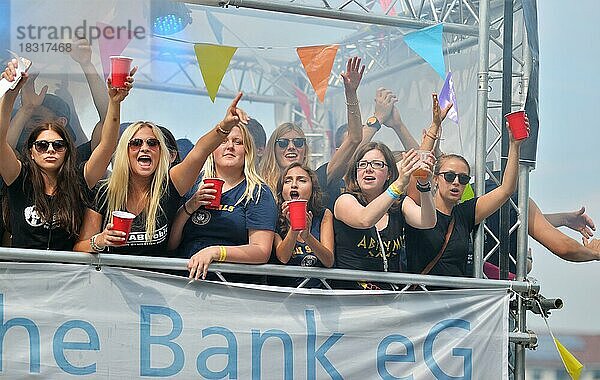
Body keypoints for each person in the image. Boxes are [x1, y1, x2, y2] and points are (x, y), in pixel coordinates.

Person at [74, 93, 249, 256]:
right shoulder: (104, 191)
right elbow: (79, 248)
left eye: (152, 143)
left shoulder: (169, 186)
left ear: (160, 152)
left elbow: (200, 151)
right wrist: (100, 240)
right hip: (109, 284)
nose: (145, 148)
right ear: (124, 152)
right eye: (135, 143)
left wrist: (224, 126)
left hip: (156, 286)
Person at [0, 59, 133, 250]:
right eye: (42, 145)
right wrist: (11, 93)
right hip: (23, 274)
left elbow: (107, 145)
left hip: (67, 276)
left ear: (67, 150)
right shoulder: (19, 177)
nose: (50, 150)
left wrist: (115, 102)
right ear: (31, 151)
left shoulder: (78, 180)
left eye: (58, 145)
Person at [405, 115, 527, 277]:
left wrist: (514, 145)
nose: (456, 182)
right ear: (435, 179)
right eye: (449, 176)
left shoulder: (465, 214)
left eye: (463, 179)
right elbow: (419, 173)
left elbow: (505, 190)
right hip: (420, 298)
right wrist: (434, 127)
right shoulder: (416, 207)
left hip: (456, 298)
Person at [168, 123, 277, 281]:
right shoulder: (193, 183)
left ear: (247, 151)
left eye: (238, 142)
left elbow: (261, 251)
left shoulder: (258, 192)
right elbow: (171, 245)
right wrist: (190, 206)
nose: (230, 146)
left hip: (232, 288)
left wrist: (216, 252)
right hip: (186, 282)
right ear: (212, 150)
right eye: (223, 141)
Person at [333, 142, 436, 290]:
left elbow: (428, 222)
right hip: (352, 301)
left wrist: (424, 185)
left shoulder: (399, 204)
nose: (368, 169)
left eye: (377, 164)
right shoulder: (345, 201)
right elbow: (365, 219)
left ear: (389, 173)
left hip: (390, 300)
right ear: (355, 172)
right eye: (362, 164)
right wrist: (399, 184)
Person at [260, 57, 365, 192]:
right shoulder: (259, 187)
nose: (291, 147)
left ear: (305, 149)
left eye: (298, 142)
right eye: (283, 143)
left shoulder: (317, 181)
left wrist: (351, 94)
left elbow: (354, 138)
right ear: (272, 150)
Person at [270, 163, 334, 287]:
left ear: (312, 189)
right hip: (285, 295)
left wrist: (307, 236)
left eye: (302, 180)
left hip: (319, 293)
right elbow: (283, 257)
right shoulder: (274, 215)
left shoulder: (324, 215)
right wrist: (294, 229)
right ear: (281, 189)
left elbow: (329, 261)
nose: (294, 184)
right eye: (287, 181)